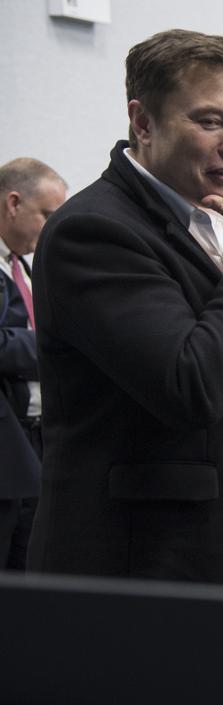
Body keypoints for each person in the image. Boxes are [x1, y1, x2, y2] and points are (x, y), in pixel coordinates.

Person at [28, 29, 223, 588]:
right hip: (148, 572)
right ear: (143, 122)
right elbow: (192, 382)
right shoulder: (95, 231)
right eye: (210, 121)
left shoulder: (211, 220)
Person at [0, 158, 66, 571]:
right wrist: (58, 348)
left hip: (39, 441)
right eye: (46, 215)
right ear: (13, 203)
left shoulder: (24, 266)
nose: (52, 228)